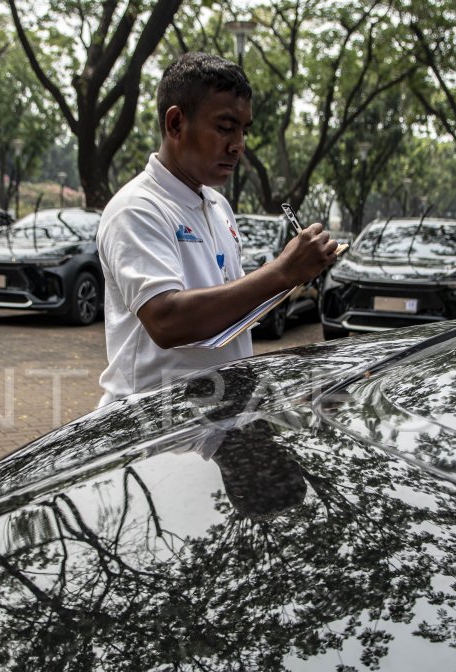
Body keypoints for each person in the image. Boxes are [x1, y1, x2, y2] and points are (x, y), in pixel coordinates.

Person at [96, 52, 340, 406]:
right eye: (225, 127)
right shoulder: (137, 207)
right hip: (152, 422)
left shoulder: (217, 205)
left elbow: (231, 305)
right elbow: (166, 321)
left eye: (244, 130)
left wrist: (296, 275)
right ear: (176, 123)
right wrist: (283, 271)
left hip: (216, 413)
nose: (238, 145)